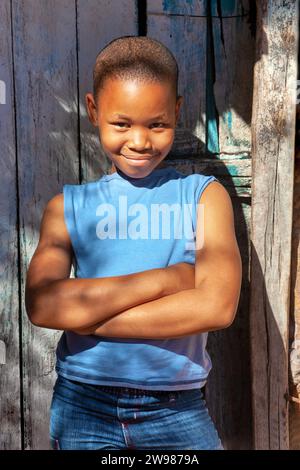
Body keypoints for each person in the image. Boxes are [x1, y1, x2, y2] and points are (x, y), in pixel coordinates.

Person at [25, 36, 242, 450]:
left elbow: (216, 306)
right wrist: (167, 280)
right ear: (93, 110)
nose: (140, 141)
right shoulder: (68, 206)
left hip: (175, 409)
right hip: (83, 405)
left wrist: (87, 318)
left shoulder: (202, 196)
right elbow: (42, 305)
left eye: (156, 124)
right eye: (122, 124)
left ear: (177, 112)